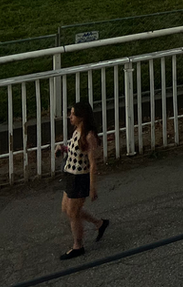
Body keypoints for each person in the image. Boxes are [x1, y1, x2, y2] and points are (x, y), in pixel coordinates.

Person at [57, 100, 108, 260]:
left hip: (80, 178)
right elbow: (75, 150)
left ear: (82, 116)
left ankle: (78, 246)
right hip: (70, 175)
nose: (70, 117)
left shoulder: (88, 136)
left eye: (73, 114)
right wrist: (63, 149)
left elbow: (93, 165)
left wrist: (92, 187)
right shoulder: (77, 131)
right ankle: (99, 223)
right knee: (67, 208)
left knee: (73, 213)